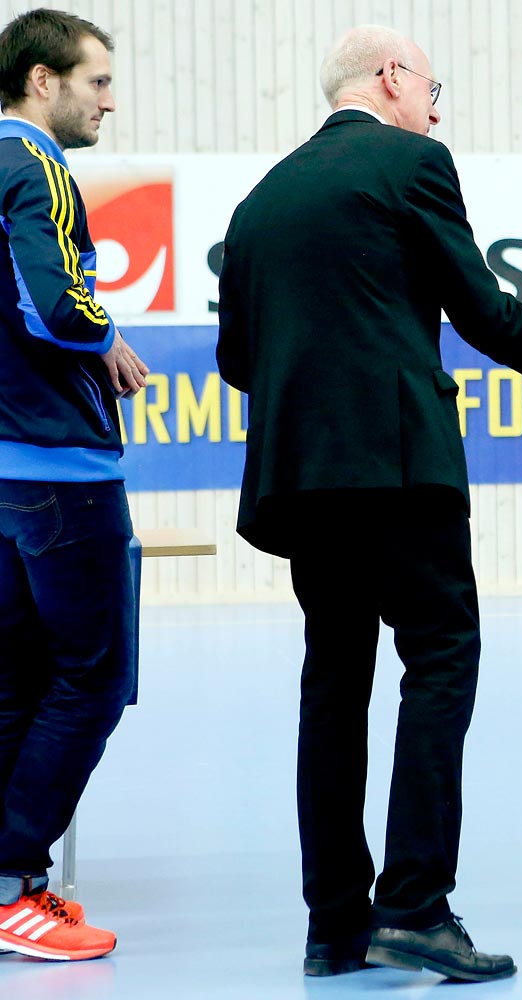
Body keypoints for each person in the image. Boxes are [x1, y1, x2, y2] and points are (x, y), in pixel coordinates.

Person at [216, 24, 522, 984]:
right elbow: (472, 298)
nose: (437, 107)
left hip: (302, 478)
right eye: (434, 86)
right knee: (440, 657)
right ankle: (417, 910)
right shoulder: (411, 160)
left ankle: (334, 926)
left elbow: (236, 361)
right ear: (391, 78)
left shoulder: (261, 198)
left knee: (334, 681)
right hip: (395, 465)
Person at [0, 8, 148, 962]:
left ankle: (13, 887)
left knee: (19, 679)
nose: (107, 99)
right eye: (95, 81)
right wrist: (109, 336)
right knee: (93, 677)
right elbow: (55, 302)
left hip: (8, 467)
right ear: (43, 80)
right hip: (60, 468)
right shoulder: (37, 166)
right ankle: (16, 881)